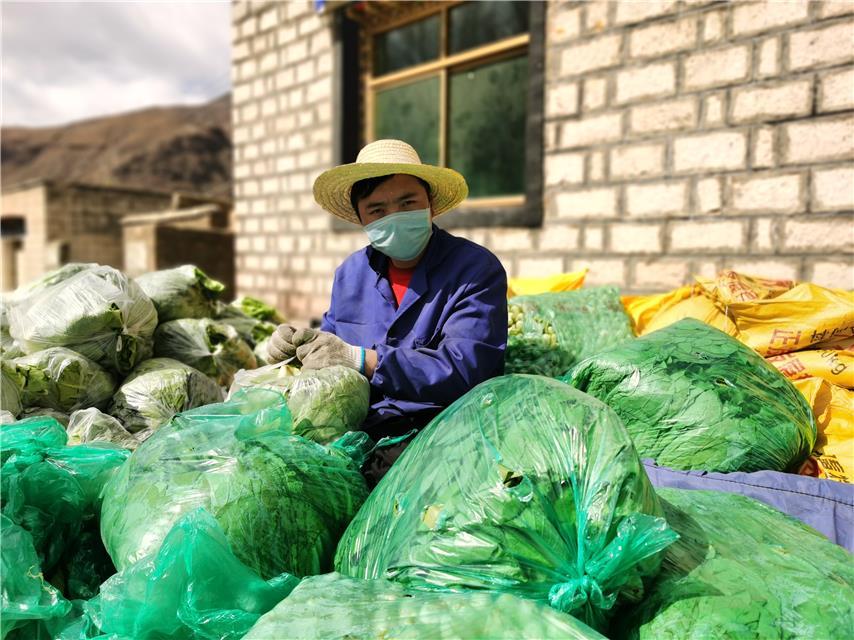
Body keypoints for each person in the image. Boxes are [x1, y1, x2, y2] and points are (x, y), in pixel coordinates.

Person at [268, 139, 507, 481]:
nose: (393, 218)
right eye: (377, 210)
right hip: (358, 427)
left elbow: (468, 369)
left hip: (437, 432)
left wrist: (362, 360)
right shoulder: (351, 274)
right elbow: (331, 345)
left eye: (407, 203)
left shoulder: (474, 269)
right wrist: (293, 349)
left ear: (430, 205)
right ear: (361, 219)